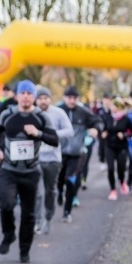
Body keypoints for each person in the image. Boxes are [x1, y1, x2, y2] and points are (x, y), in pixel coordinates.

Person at [0, 80, 59, 262]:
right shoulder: (7, 115)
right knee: (5, 204)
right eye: (22, 93)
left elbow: (54, 140)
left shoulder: (41, 117)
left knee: (28, 214)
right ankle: (9, 234)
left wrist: (38, 133)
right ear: (17, 96)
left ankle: (24, 250)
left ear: (34, 97)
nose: (25, 97)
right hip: (9, 169)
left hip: (31, 172)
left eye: (29, 93)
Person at [57, 86, 102, 222]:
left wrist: (96, 129)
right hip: (59, 153)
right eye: (69, 98)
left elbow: (98, 121)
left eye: (74, 98)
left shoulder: (83, 112)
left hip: (76, 153)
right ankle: (59, 191)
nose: (72, 101)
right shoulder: (58, 111)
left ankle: (67, 212)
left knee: (70, 180)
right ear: (64, 98)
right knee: (59, 179)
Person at [33, 86, 73, 235]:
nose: (43, 101)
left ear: (50, 99)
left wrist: (51, 134)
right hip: (36, 158)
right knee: (36, 192)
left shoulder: (58, 113)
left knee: (50, 190)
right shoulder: (33, 114)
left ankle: (48, 218)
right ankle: (36, 222)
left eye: (45, 98)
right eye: (40, 98)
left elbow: (69, 131)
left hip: (53, 159)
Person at [101, 98, 132, 201]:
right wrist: (103, 133)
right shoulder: (108, 117)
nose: (111, 107)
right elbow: (104, 128)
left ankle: (122, 181)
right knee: (110, 168)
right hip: (109, 146)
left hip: (121, 147)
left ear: (119, 107)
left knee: (121, 168)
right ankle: (113, 190)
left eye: (113, 105)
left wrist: (124, 135)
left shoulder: (126, 119)